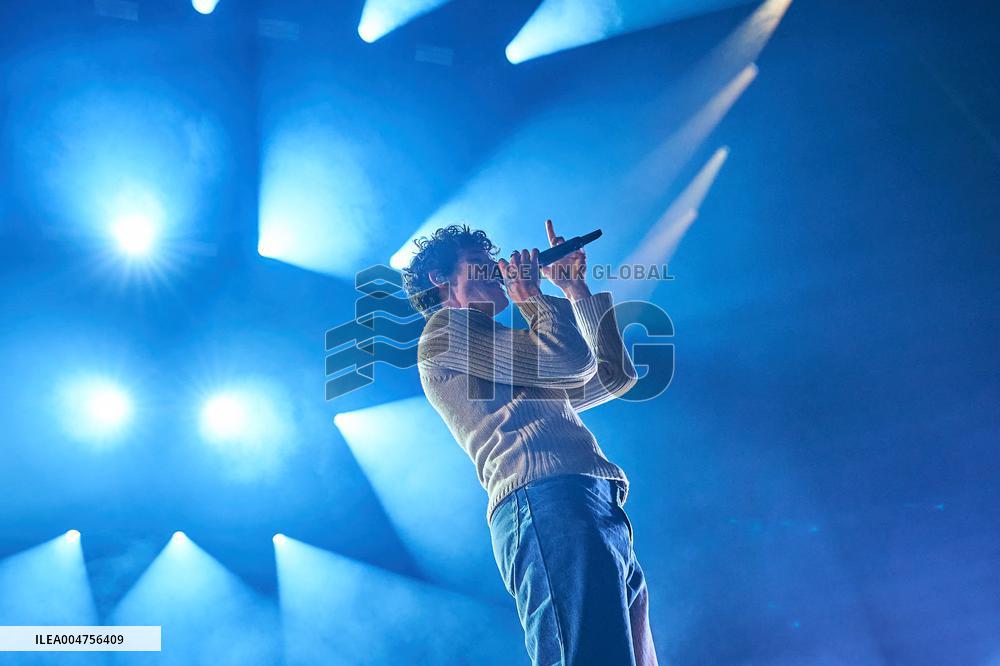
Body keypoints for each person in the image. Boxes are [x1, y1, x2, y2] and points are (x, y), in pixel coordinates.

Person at [403, 220, 658, 666]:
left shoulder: (508, 350)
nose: (498, 268)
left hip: (588, 500)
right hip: (544, 500)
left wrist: (575, 290)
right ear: (440, 279)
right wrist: (533, 296)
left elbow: (615, 376)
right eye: (479, 263)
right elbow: (568, 358)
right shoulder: (445, 334)